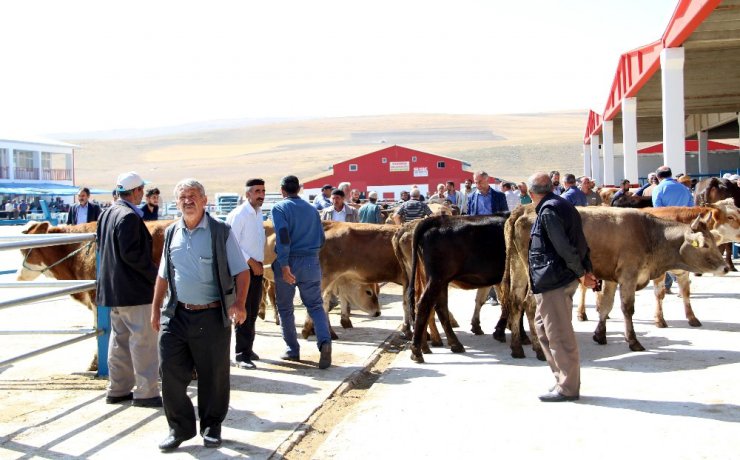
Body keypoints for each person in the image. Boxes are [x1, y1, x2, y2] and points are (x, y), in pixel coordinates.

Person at [151, 178, 249, 451]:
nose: (188, 201)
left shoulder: (220, 232)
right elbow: (163, 275)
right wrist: (155, 310)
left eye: (193, 196)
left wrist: (239, 303)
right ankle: (180, 428)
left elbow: (242, 271)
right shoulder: (172, 233)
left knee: (213, 376)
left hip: (212, 315)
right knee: (169, 371)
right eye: (182, 197)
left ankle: (211, 426)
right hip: (177, 314)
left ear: (205, 201)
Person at [527, 172, 597, 402]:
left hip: (554, 280)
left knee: (558, 335)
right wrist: (585, 269)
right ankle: (562, 379)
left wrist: (581, 273)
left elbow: (565, 247)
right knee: (544, 329)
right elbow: (580, 241)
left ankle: (567, 388)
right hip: (554, 279)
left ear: (530, 194)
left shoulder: (548, 211)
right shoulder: (563, 205)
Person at [96, 172, 161, 409]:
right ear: (135, 192)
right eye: (141, 190)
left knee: (119, 340)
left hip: (114, 290)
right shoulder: (129, 217)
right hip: (134, 290)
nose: (142, 193)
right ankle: (146, 392)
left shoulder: (107, 213)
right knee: (143, 341)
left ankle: (118, 388)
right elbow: (132, 255)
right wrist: (156, 276)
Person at [271, 175, 332, 369]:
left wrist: (284, 264)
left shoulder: (279, 208)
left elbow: (282, 236)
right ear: (299, 189)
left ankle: (292, 350)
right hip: (311, 261)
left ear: (282, 190)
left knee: (286, 308)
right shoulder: (313, 210)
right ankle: (325, 343)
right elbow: (322, 239)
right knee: (315, 305)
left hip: (289, 262)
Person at [226, 179, 267, 370]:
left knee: (252, 311)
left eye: (263, 191)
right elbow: (230, 243)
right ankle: (241, 355)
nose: (261, 194)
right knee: (242, 310)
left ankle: (248, 349)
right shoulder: (240, 214)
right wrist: (251, 262)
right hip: (242, 270)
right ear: (248, 194)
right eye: (257, 191)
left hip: (256, 269)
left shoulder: (258, 214)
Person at [652, 166, 693, 293]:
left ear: (658, 177)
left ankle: (667, 284)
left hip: (667, 228)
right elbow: (691, 207)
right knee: (684, 255)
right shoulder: (684, 188)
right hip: (684, 226)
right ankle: (683, 285)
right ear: (670, 174)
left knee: (665, 256)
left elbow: (658, 210)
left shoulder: (659, 189)